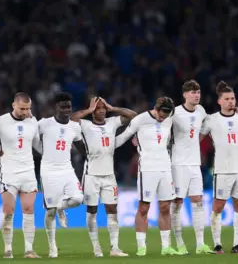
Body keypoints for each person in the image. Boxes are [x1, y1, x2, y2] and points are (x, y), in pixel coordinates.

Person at [115, 97, 181, 256]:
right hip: (147, 169)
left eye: (166, 116)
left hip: (165, 168)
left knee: (165, 207)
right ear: (155, 108)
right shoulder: (140, 120)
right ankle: (141, 247)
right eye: (161, 114)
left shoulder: (169, 118)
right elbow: (123, 137)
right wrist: (103, 147)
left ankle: (166, 247)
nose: (162, 118)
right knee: (144, 207)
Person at [71, 97, 136, 257]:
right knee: (92, 211)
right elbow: (72, 119)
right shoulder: (85, 125)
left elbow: (133, 116)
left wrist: (112, 107)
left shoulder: (112, 122)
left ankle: (115, 248)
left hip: (109, 176)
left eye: (103, 108)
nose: (101, 110)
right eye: (98, 108)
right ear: (93, 110)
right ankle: (96, 247)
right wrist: (88, 109)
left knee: (112, 210)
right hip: (91, 175)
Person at [200, 81, 238, 254]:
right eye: (227, 99)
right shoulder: (211, 120)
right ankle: (217, 244)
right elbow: (196, 140)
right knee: (218, 206)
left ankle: (237, 245)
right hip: (221, 170)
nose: (231, 101)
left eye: (232, 98)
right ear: (219, 101)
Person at [0, 92, 41, 259]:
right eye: (22, 108)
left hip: (28, 172)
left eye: (28, 108)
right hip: (9, 173)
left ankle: (29, 250)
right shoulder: (0, 122)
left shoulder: (33, 121)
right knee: (8, 211)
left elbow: (38, 145)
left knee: (29, 210)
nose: (25, 112)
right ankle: (8, 249)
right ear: (14, 105)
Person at [167, 80, 214, 254]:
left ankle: (200, 244)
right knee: (177, 202)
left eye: (199, 92)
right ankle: (179, 243)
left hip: (195, 164)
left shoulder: (201, 111)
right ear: (185, 95)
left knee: (198, 201)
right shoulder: (175, 113)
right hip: (178, 164)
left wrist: (195, 142)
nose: (197, 95)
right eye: (193, 92)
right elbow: (162, 129)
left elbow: (206, 126)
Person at [38, 92, 86, 258]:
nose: (67, 110)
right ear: (55, 107)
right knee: (49, 212)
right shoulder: (44, 124)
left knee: (78, 199)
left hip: (67, 169)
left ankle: (61, 208)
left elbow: (82, 149)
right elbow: (30, 139)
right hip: (49, 171)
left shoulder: (74, 126)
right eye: (63, 107)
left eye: (69, 107)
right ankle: (52, 247)